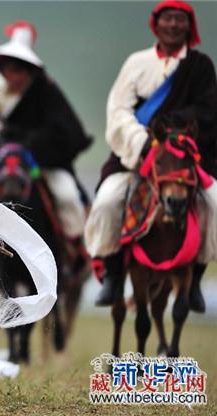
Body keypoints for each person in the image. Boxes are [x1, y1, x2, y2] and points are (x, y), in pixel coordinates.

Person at [84, 0, 217, 309]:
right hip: (137, 155)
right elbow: (118, 111)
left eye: (180, 19)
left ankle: (196, 278)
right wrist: (142, 142)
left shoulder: (201, 67)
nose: (173, 25)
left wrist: (177, 134)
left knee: (214, 204)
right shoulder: (136, 63)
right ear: (156, 25)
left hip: (185, 159)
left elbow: (209, 113)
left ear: (189, 27)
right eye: (167, 18)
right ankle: (114, 275)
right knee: (106, 201)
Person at [0, 20, 92, 254]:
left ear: (30, 71)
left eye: (19, 70)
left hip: (42, 165)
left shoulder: (47, 92)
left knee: (67, 196)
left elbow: (65, 134)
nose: (13, 75)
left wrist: (29, 143)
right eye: (9, 69)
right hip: (1, 163)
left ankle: (74, 249)